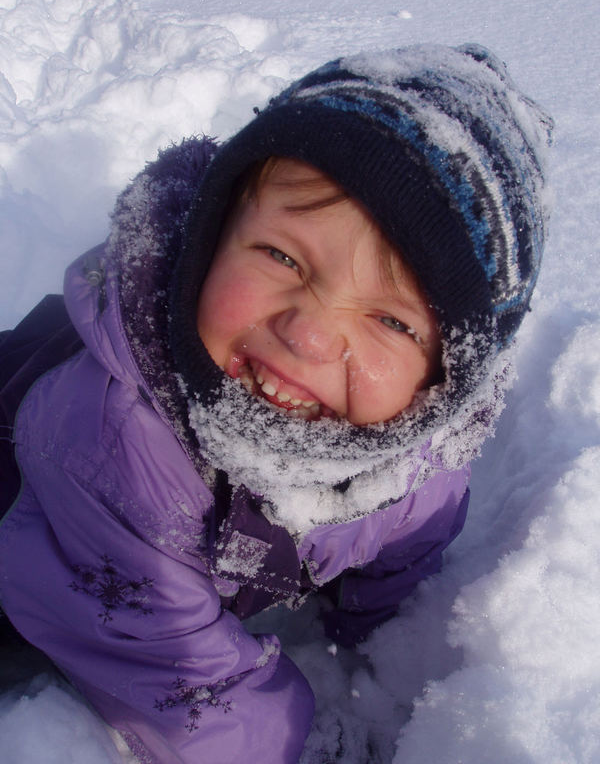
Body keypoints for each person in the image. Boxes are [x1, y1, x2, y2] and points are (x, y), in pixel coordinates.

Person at [0, 44, 552, 763]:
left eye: (391, 321)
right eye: (283, 258)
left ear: (445, 380)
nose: (310, 334)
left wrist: (383, 637)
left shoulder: (417, 461)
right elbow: (184, 691)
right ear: (211, 232)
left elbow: (409, 549)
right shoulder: (112, 447)